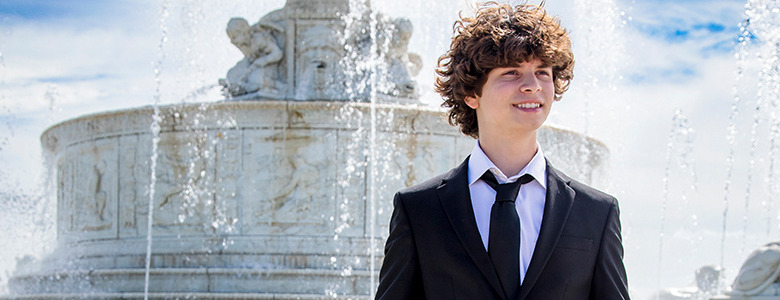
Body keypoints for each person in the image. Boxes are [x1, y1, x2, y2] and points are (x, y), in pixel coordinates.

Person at [375, 2, 629, 299]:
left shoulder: (597, 212)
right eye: (512, 72)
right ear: (472, 93)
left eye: (543, 72)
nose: (532, 86)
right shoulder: (418, 210)